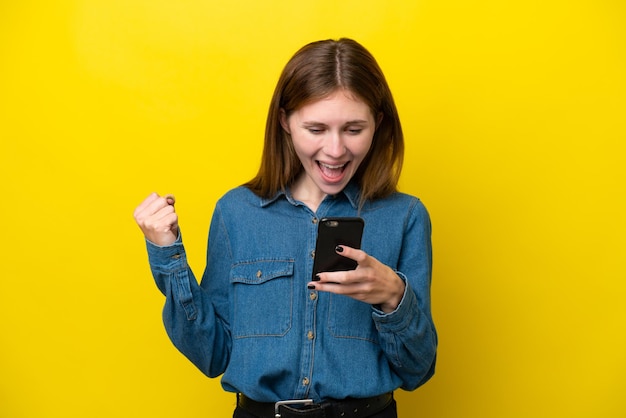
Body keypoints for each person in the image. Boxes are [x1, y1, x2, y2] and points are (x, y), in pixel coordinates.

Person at [134, 38, 437, 418]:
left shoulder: (405, 217)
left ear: (378, 123)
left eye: (353, 129)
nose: (336, 149)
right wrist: (168, 256)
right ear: (285, 122)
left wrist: (394, 297)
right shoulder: (236, 212)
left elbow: (418, 370)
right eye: (316, 128)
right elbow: (212, 355)